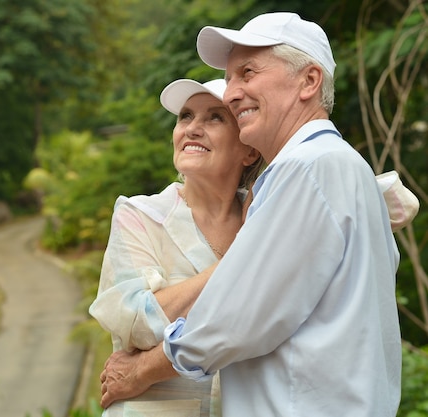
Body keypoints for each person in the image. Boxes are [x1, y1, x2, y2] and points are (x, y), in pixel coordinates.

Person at [98, 12, 408, 417]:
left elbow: (232, 320)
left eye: (247, 73)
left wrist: (142, 369)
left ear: (309, 81)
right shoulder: (330, 168)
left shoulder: (308, 168)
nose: (231, 92)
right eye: (230, 79)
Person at [90, 78, 264, 417]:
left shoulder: (265, 215)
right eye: (185, 116)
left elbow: (393, 200)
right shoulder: (140, 215)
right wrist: (243, 259)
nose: (193, 129)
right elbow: (137, 323)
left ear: (249, 149)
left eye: (215, 117)